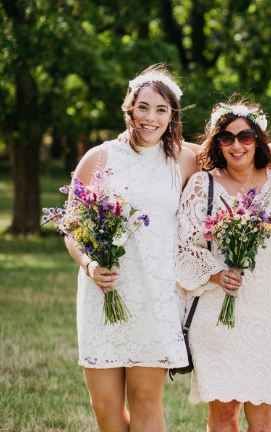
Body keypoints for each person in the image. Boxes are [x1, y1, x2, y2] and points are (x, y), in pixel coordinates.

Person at [64, 65, 197, 431]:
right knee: (104, 406)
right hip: (104, 289)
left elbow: (240, 155)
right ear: (129, 108)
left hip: (156, 294)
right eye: (143, 107)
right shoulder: (98, 157)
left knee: (144, 401)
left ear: (172, 116)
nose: (150, 118)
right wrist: (90, 265)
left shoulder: (184, 159)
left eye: (161, 110)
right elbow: (71, 227)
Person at [175, 101, 271, 432]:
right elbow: (183, 247)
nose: (236, 145)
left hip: (266, 312)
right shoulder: (202, 185)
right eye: (226, 138)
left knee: (267, 418)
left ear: (259, 139)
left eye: (246, 136)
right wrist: (215, 273)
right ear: (217, 142)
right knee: (223, 417)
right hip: (216, 316)